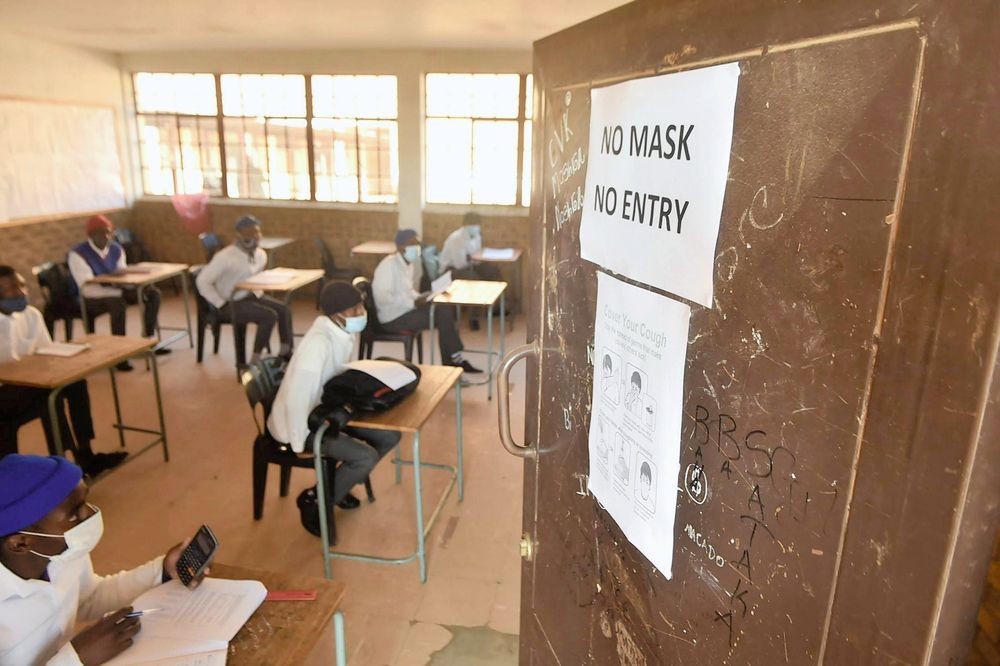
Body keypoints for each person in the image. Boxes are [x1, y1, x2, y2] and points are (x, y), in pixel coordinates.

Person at [0, 454, 209, 664]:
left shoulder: (63, 554)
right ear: (20, 543)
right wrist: (77, 658)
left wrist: (162, 571)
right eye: (73, 515)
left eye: (86, 502)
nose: (90, 514)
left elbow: (89, 597)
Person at [268, 282, 401, 511]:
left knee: (390, 436)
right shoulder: (318, 344)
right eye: (354, 309)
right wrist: (299, 444)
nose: (361, 313)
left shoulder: (341, 332)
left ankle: (336, 487)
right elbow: (297, 397)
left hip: (326, 412)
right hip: (300, 425)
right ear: (335, 313)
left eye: (361, 307)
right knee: (365, 457)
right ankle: (316, 505)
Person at [0, 266, 125, 476]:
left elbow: (46, 351)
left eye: (22, 285)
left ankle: (85, 454)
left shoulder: (31, 315)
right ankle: (59, 466)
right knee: (52, 398)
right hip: (6, 391)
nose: (21, 292)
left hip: (33, 381)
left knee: (76, 383)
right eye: (12, 289)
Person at [68, 215, 168, 372]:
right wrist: (119, 292)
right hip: (90, 296)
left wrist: (133, 285)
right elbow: (86, 287)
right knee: (117, 304)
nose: (106, 236)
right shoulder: (78, 254)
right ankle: (120, 355)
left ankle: (148, 340)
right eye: (100, 233)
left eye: (108, 232)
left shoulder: (116, 249)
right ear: (91, 235)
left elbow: (122, 273)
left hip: (116, 289)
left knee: (153, 294)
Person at [372, 229, 480, 373]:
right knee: (442, 315)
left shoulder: (407, 265)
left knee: (443, 308)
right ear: (400, 246)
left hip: (405, 310)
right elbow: (383, 297)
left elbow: (407, 291)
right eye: (412, 244)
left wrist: (423, 296)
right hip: (393, 318)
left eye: (418, 244)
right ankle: (454, 359)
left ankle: (453, 359)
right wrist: (413, 303)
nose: (417, 247)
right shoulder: (388, 265)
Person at [195, 215, 293, 363]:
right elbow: (202, 281)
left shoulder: (260, 255)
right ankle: (255, 361)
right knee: (268, 316)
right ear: (239, 235)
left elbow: (256, 277)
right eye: (250, 232)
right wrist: (219, 303)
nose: (256, 236)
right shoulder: (225, 256)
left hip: (252, 296)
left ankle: (285, 353)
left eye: (257, 232)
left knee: (283, 310)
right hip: (230, 301)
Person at [438, 212, 502, 330]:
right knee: (474, 279)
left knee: (493, 272)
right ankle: (473, 318)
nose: (475, 227)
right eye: (472, 224)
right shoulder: (457, 238)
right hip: (450, 270)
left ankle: (495, 308)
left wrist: (473, 259)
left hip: (470, 265)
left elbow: (476, 257)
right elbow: (459, 264)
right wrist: (472, 259)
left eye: (477, 224)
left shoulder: (477, 236)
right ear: (464, 224)